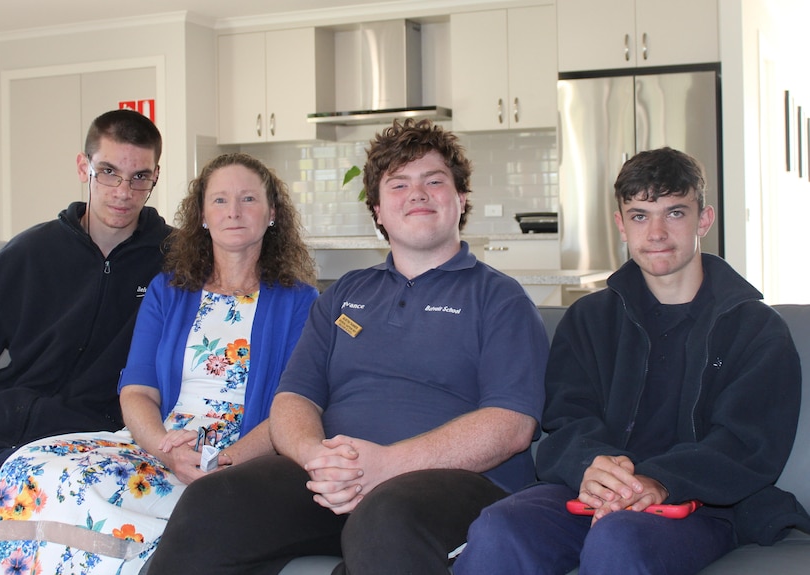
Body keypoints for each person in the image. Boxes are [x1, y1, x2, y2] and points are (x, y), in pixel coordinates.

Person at [144, 118, 549, 575]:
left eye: (434, 181)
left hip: (456, 488)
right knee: (215, 500)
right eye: (398, 184)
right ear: (377, 209)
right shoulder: (344, 294)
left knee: (385, 516)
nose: (416, 194)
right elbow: (294, 399)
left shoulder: (499, 297)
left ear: (461, 199)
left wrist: (388, 464)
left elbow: (511, 424)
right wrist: (317, 457)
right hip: (334, 479)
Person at [0, 152, 319, 574]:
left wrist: (227, 461)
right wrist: (164, 450)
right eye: (219, 200)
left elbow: (294, 406)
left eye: (248, 199)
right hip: (160, 446)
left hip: (240, 456)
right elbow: (139, 390)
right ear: (201, 214)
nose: (233, 211)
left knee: (83, 490)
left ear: (272, 213)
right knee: (31, 465)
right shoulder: (169, 290)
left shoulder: (301, 302)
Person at [455, 147, 810, 575]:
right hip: (593, 493)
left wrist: (658, 481)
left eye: (674, 213)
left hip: (703, 505)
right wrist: (593, 467)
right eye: (640, 215)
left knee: (620, 536)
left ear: (704, 219)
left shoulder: (756, 329)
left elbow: (748, 444)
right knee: (499, 526)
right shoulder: (588, 319)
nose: (656, 232)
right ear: (621, 225)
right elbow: (565, 421)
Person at [0, 109, 171, 570]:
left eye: (139, 177)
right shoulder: (31, 252)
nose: (123, 192)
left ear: (155, 178)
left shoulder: (176, 265)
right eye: (108, 172)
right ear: (82, 167)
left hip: (76, 438)